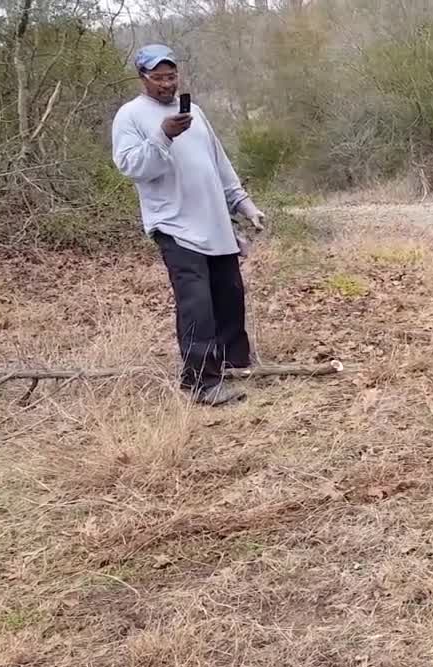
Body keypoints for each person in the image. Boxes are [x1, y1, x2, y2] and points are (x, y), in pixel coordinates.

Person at [110, 43, 266, 406]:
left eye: (171, 76)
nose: (167, 84)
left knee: (229, 294)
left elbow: (219, 163)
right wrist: (163, 134)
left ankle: (230, 364)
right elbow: (133, 168)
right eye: (158, 78)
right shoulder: (130, 116)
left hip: (214, 223)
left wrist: (244, 204)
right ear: (143, 79)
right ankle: (201, 382)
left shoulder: (194, 111)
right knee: (196, 303)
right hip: (173, 225)